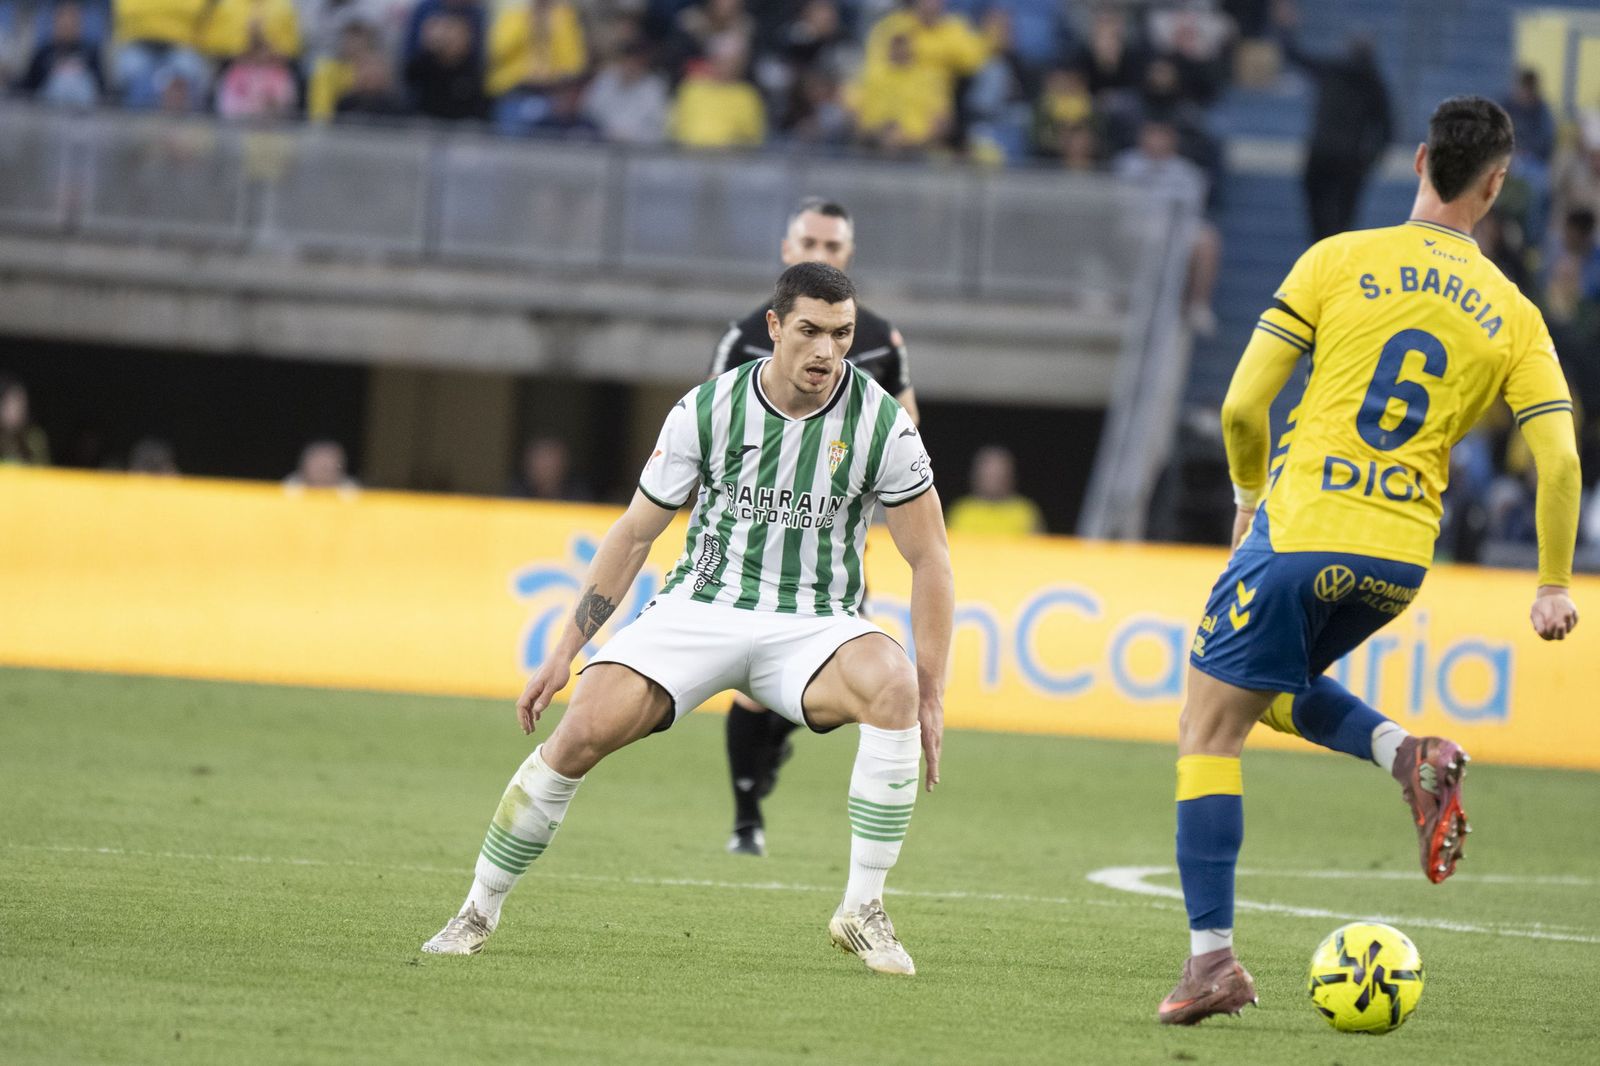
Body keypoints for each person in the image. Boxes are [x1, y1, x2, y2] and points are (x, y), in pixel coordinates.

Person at [1158, 96, 1582, 1026]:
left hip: (1299, 529)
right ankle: (1406, 751)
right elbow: (1559, 457)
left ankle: (1210, 963)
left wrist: (1244, 501)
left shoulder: (1336, 259)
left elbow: (1241, 407)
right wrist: (1552, 581)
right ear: (1497, 185)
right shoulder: (1513, 312)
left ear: (1422, 159)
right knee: (1268, 693)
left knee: (1205, 730)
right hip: (1397, 559)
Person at [420, 263, 953, 976]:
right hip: (701, 609)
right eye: (810, 332)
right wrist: (563, 649)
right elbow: (636, 534)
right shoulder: (707, 408)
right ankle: (478, 907)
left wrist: (932, 689)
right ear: (774, 328)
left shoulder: (882, 422)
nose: (827, 352)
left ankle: (862, 908)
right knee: (582, 729)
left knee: (892, 684)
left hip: (815, 623)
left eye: (843, 334)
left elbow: (932, 560)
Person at [709, 198, 921, 858]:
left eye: (833, 247)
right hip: (756, 546)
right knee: (749, 687)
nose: (819, 254)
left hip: (834, 547)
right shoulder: (745, 336)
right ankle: (747, 817)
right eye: (809, 242)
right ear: (785, 248)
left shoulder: (881, 340)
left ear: (847, 257)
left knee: (823, 692)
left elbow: (908, 431)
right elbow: (715, 429)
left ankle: (777, 743)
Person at [1274, 0, 1391, 241]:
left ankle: (1322, 261)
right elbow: (1388, 129)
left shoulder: (1335, 71)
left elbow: (1293, 54)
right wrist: (1369, 160)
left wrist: (1285, 26)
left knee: (1322, 225)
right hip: (1347, 160)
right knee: (1340, 225)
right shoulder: (1374, 84)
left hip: (1325, 155)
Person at [946, 446, 1043, 535]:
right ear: (976, 476)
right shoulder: (961, 512)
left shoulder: (1026, 512)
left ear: (1011, 476)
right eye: (989, 474)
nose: (994, 479)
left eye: (999, 474)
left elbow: (1039, 549)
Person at [0, 375, 49, 465]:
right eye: (11, 403)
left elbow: (43, 471)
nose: (19, 409)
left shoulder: (34, 437)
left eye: (22, 402)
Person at [284, 440, 359, 493]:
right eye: (318, 463)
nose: (323, 469)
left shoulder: (352, 493)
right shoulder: (289, 490)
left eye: (327, 466)